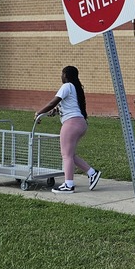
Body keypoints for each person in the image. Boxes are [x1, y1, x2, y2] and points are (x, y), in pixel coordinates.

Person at [35, 65, 101, 194]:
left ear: (65, 75)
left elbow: (52, 102)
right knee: (70, 154)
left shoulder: (66, 86)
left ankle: (68, 185)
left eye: (62, 74)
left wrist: (39, 113)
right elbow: (63, 106)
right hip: (80, 123)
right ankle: (92, 173)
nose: (61, 76)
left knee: (66, 155)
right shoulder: (75, 88)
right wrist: (55, 111)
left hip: (71, 124)